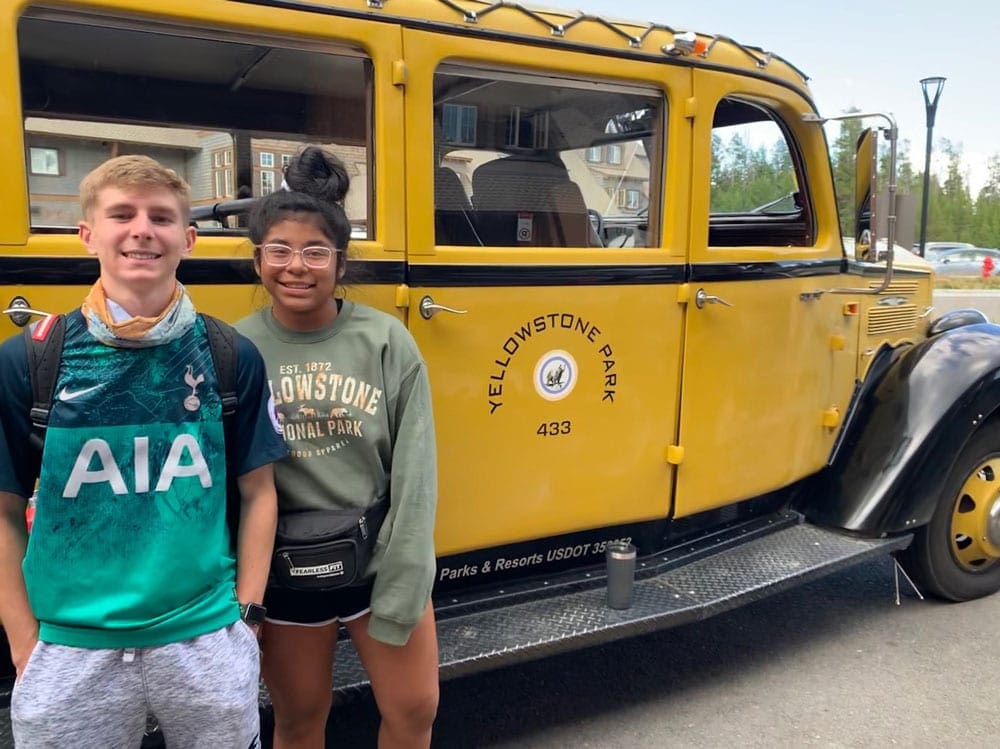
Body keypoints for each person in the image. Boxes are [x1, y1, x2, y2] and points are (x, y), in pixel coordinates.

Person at [0, 155, 287, 748]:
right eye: (121, 214)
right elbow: (2, 513)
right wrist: (26, 641)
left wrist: (247, 617)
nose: (141, 230)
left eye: (160, 216)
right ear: (87, 235)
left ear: (188, 238)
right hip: (69, 646)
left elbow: (259, 494)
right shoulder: (29, 360)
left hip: (204, 639)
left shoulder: (228, 354)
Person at [235, 146, 439, 749]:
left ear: (340, 262)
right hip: (286, 572)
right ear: (257, 261)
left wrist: (404, 583)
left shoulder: (385, 341)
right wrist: (241, 594)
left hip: (380, 566)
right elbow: (232, 483)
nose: (296, 267)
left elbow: (416, 472)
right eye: (279, 250)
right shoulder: (237, 350)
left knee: (414, 711)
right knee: (299, 719)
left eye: (315, 252)